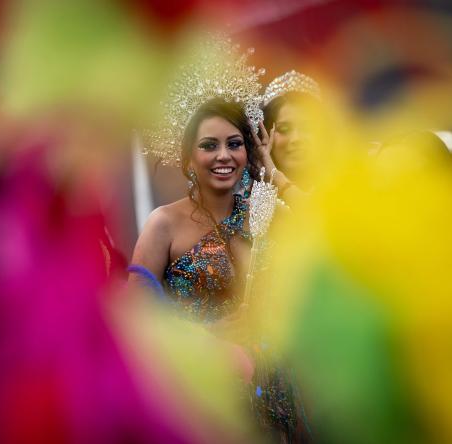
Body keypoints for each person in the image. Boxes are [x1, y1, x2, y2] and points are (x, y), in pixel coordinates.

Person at [129, 37, 309, 443]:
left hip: (275, 398)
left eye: (235, 144)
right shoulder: (163, 224)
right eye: (209, 146)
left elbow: (322, 232)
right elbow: (137, 315)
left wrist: (271, 168)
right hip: (204, 398)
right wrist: (202, 340)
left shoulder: (265, 212)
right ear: (188, 157)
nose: (224, 156)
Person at [260, 70, 323, 198]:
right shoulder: (248, 200)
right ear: (265, 134)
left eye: (307, 128)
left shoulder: (349, 190)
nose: (296, 139)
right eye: (284, 129)